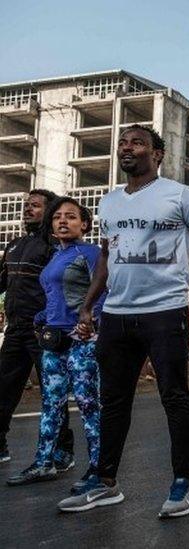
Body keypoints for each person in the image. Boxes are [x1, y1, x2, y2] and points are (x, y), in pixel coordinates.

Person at [59, 124, 189, 517]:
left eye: (137, 142)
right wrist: (88, 305)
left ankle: (183, 485)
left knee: (174, 396)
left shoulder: (180, 195)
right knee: (113, 402)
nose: (127, 148)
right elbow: (106, 256)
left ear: (158, 154)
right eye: (123, 143)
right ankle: (105, 481)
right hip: (117, 315)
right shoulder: (111, 202)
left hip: (164, 312)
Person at [6, 198, 104, 490]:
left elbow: (104, 295)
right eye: (58, 217)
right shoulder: (54, 257)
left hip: (81, 342)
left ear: (84, 224)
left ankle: (99, 468)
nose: (63, 221)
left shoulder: (92, 253)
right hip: (53, 342)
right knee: (51, 405)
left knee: (88, 405)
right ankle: (43, 463)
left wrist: (90, 324)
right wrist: (40, 319)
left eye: (71, 217)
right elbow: (53, 298)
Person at [0, 189, 74, 466]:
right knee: (3, 388)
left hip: (45, 332)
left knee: (52, 392)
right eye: (26, 205)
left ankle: (62, 451)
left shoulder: (56, 248)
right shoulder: (14, 245)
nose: (27, 209)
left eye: (34, 206)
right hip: (15, 331)